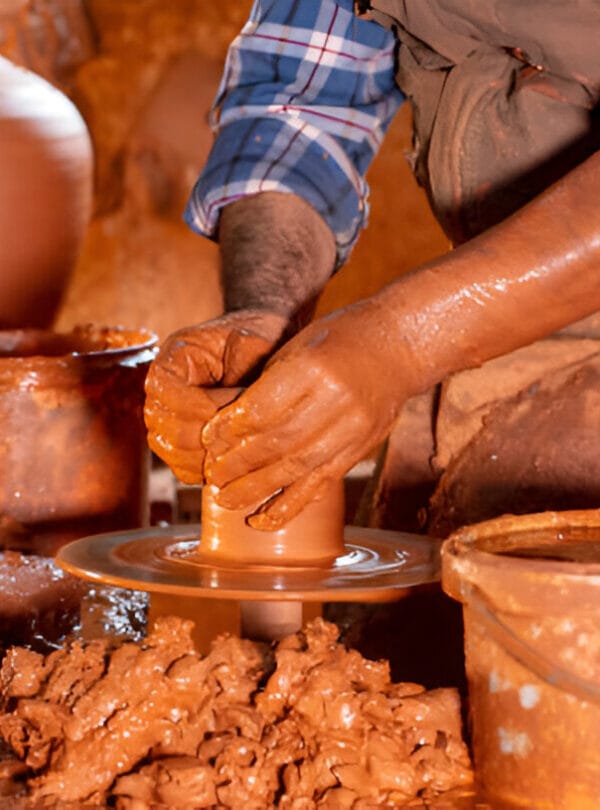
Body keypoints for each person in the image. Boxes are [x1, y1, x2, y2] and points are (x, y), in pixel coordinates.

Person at [144, 0, 600, 532]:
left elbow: (405, 341)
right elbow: (301, 114)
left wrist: (402, 342)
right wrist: (264, 319)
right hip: (490, 348)